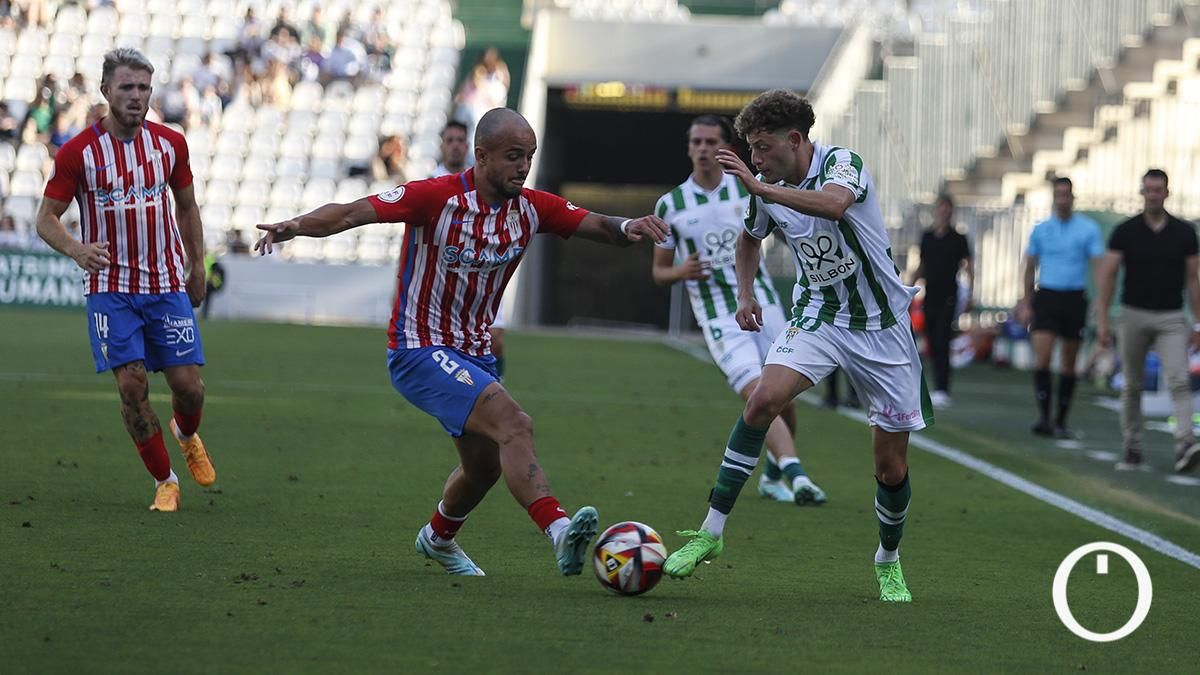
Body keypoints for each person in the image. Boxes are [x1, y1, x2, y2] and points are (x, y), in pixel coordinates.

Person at [254, 108, 670, 576]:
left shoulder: (531, 208)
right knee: (515, 424)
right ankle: (560, 532)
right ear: (482, 155)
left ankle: (437, 538)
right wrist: (296, 225)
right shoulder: (434, 197)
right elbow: (353, 212)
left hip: (474, 352)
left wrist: (629, 228)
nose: (523, 167)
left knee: (484, 468)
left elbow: (594, 224)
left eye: (529, 157)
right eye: (513, 156)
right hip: (419, 348)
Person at [664, 90, 927, 603]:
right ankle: (710, 533)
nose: (756, 159)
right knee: (762, 399)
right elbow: (749, 238)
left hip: (881, 327)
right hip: (820, 317)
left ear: (795, 139)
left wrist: (759, 185)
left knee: (889, 467)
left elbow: (833, 203)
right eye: (751, 151)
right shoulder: (765, 188)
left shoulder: (842, 163)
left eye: (762, 148)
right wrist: (744, 291)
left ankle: (887, 558)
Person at [34, 48, 216, 512]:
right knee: (132, 388)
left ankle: (186, 433)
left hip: (165, 284)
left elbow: (187, 206)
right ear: (106, 91)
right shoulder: (79, 152)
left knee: (189, 388)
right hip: (110, 290)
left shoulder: (170, 144)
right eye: (126, 88)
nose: (136, 97)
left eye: (143, 88)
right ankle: (165, 480)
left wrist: (196, 265)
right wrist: (76, 249)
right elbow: (46, 219)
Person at [652, 114, 826, 506]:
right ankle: (798, 476)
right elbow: (659, 272)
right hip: (719, 317)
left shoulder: (747, 190)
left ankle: (773, 475)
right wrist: (682, 269)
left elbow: (783, 231)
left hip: (764, 305)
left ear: (726, 148)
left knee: (785, 400)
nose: (702, 149)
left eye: (711, 142)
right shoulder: (671, 204)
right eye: (696, 142)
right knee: (758, 393)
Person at [1096, 169, 1200, 474]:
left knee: (1179, 379)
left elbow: (1193, 280)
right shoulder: (1126, 231)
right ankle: (1133, 446)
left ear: (1167, 193)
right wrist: (1103, 319)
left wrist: (1197, 323)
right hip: (1133, 313)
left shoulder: (1183, 232)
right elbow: (1108, 275)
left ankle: (1184, 442)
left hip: (1170, 315)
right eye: (1149, 190)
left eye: (1159, 190)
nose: (1153, 195)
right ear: (1142, 192)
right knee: (1132, 384)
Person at [1016, 177, 1103, 438]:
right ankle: (1044, 417)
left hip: (1074, 297)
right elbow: (1030, 265)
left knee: (1068, 363)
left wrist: (1100, 298)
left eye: (1066, 194)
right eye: (1058, 195)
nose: (1063, 199)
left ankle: (1061, 419)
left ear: (1072, 197)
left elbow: (1098, 265)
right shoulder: (1041, 230)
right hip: (1048, 296)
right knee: (1042, 358)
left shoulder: (1087, 229)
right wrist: (1026, 300)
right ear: (1054, 198)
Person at [911, 194, 972, 409]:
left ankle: (943, 387)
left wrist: (970, 292)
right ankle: (935, 385)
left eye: (948, 207)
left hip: (949, 295)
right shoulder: (927, 236)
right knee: (932, 341)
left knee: (943, 339)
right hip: (931, 295)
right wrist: (910, 284)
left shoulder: (958, 238)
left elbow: (968, 265)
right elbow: (922, 264)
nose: (944, 211)